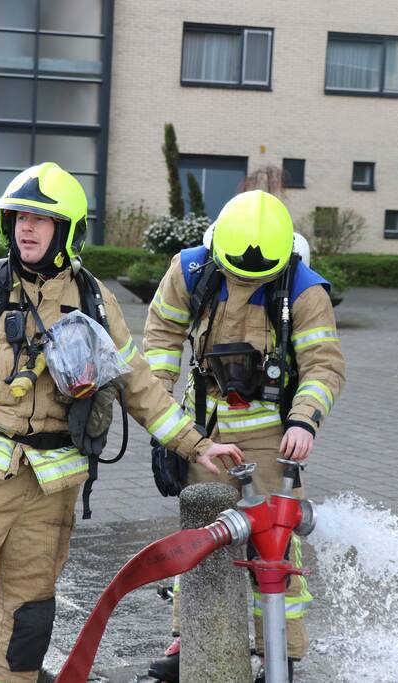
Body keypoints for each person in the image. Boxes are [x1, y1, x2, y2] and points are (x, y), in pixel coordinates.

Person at [0, 162, 243, 683]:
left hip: (51, 492)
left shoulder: (94, 300)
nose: (26, 228)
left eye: (41, 219)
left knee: (26, 630)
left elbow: (139, 385)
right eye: (19, 217)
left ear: (68, 230)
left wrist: (197, 445)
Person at [145, 190, 346, 683]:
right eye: (238, 274)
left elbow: (323, 365)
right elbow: (161, 340)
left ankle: (280, 652)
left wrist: (303, 420)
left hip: (271, 435)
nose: (246, 282)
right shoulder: (191, 271)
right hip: (205, 432)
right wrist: (165, 420)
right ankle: (190, 642)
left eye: (258, 278)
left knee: (271, 545)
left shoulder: (303, 289)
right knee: (200, 539)